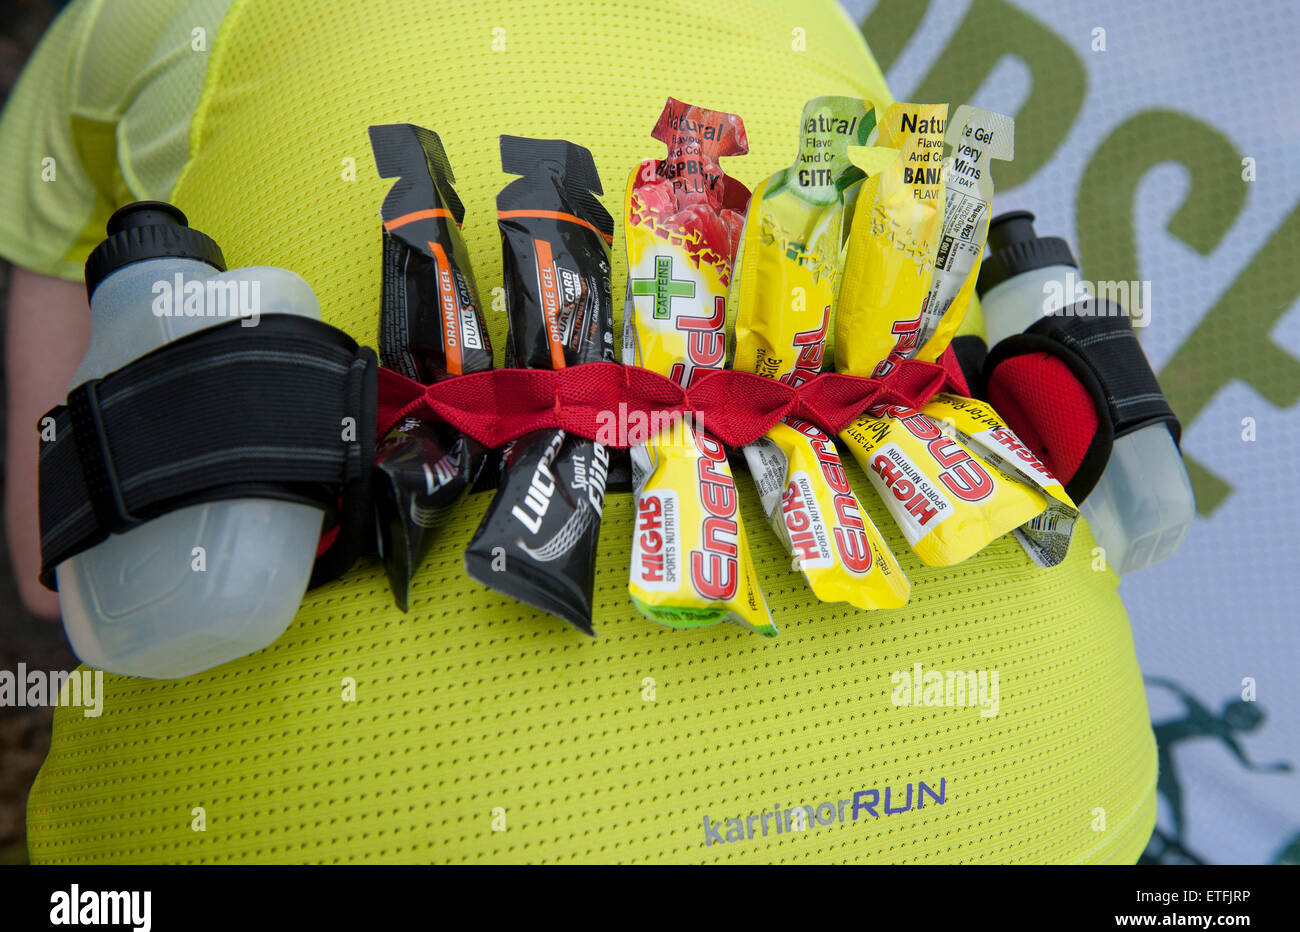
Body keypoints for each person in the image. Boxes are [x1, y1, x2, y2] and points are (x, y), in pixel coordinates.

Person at [0, 0, 1157, 862]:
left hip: (349, 814)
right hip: (1056, 780)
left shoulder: (129, 20)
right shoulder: (813, 19)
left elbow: (54, 576)